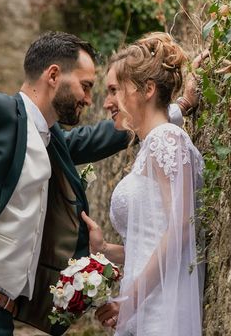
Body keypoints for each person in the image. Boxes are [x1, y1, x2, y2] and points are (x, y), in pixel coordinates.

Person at [0, 31, 198, 336]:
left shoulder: (52, 144)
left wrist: (177, 107)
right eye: (85, 85)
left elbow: (119, 129)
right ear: (53, 76)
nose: (90, 99)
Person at [82, 32, 205, 336]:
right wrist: (105, 249)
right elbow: (152, 241)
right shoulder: (153, 145)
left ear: (147, 89)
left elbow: (181, 231)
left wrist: (130, 300)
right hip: (144, 303)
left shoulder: (168, 139)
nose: (108, 102)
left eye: (115, 90)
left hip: (161, 307)